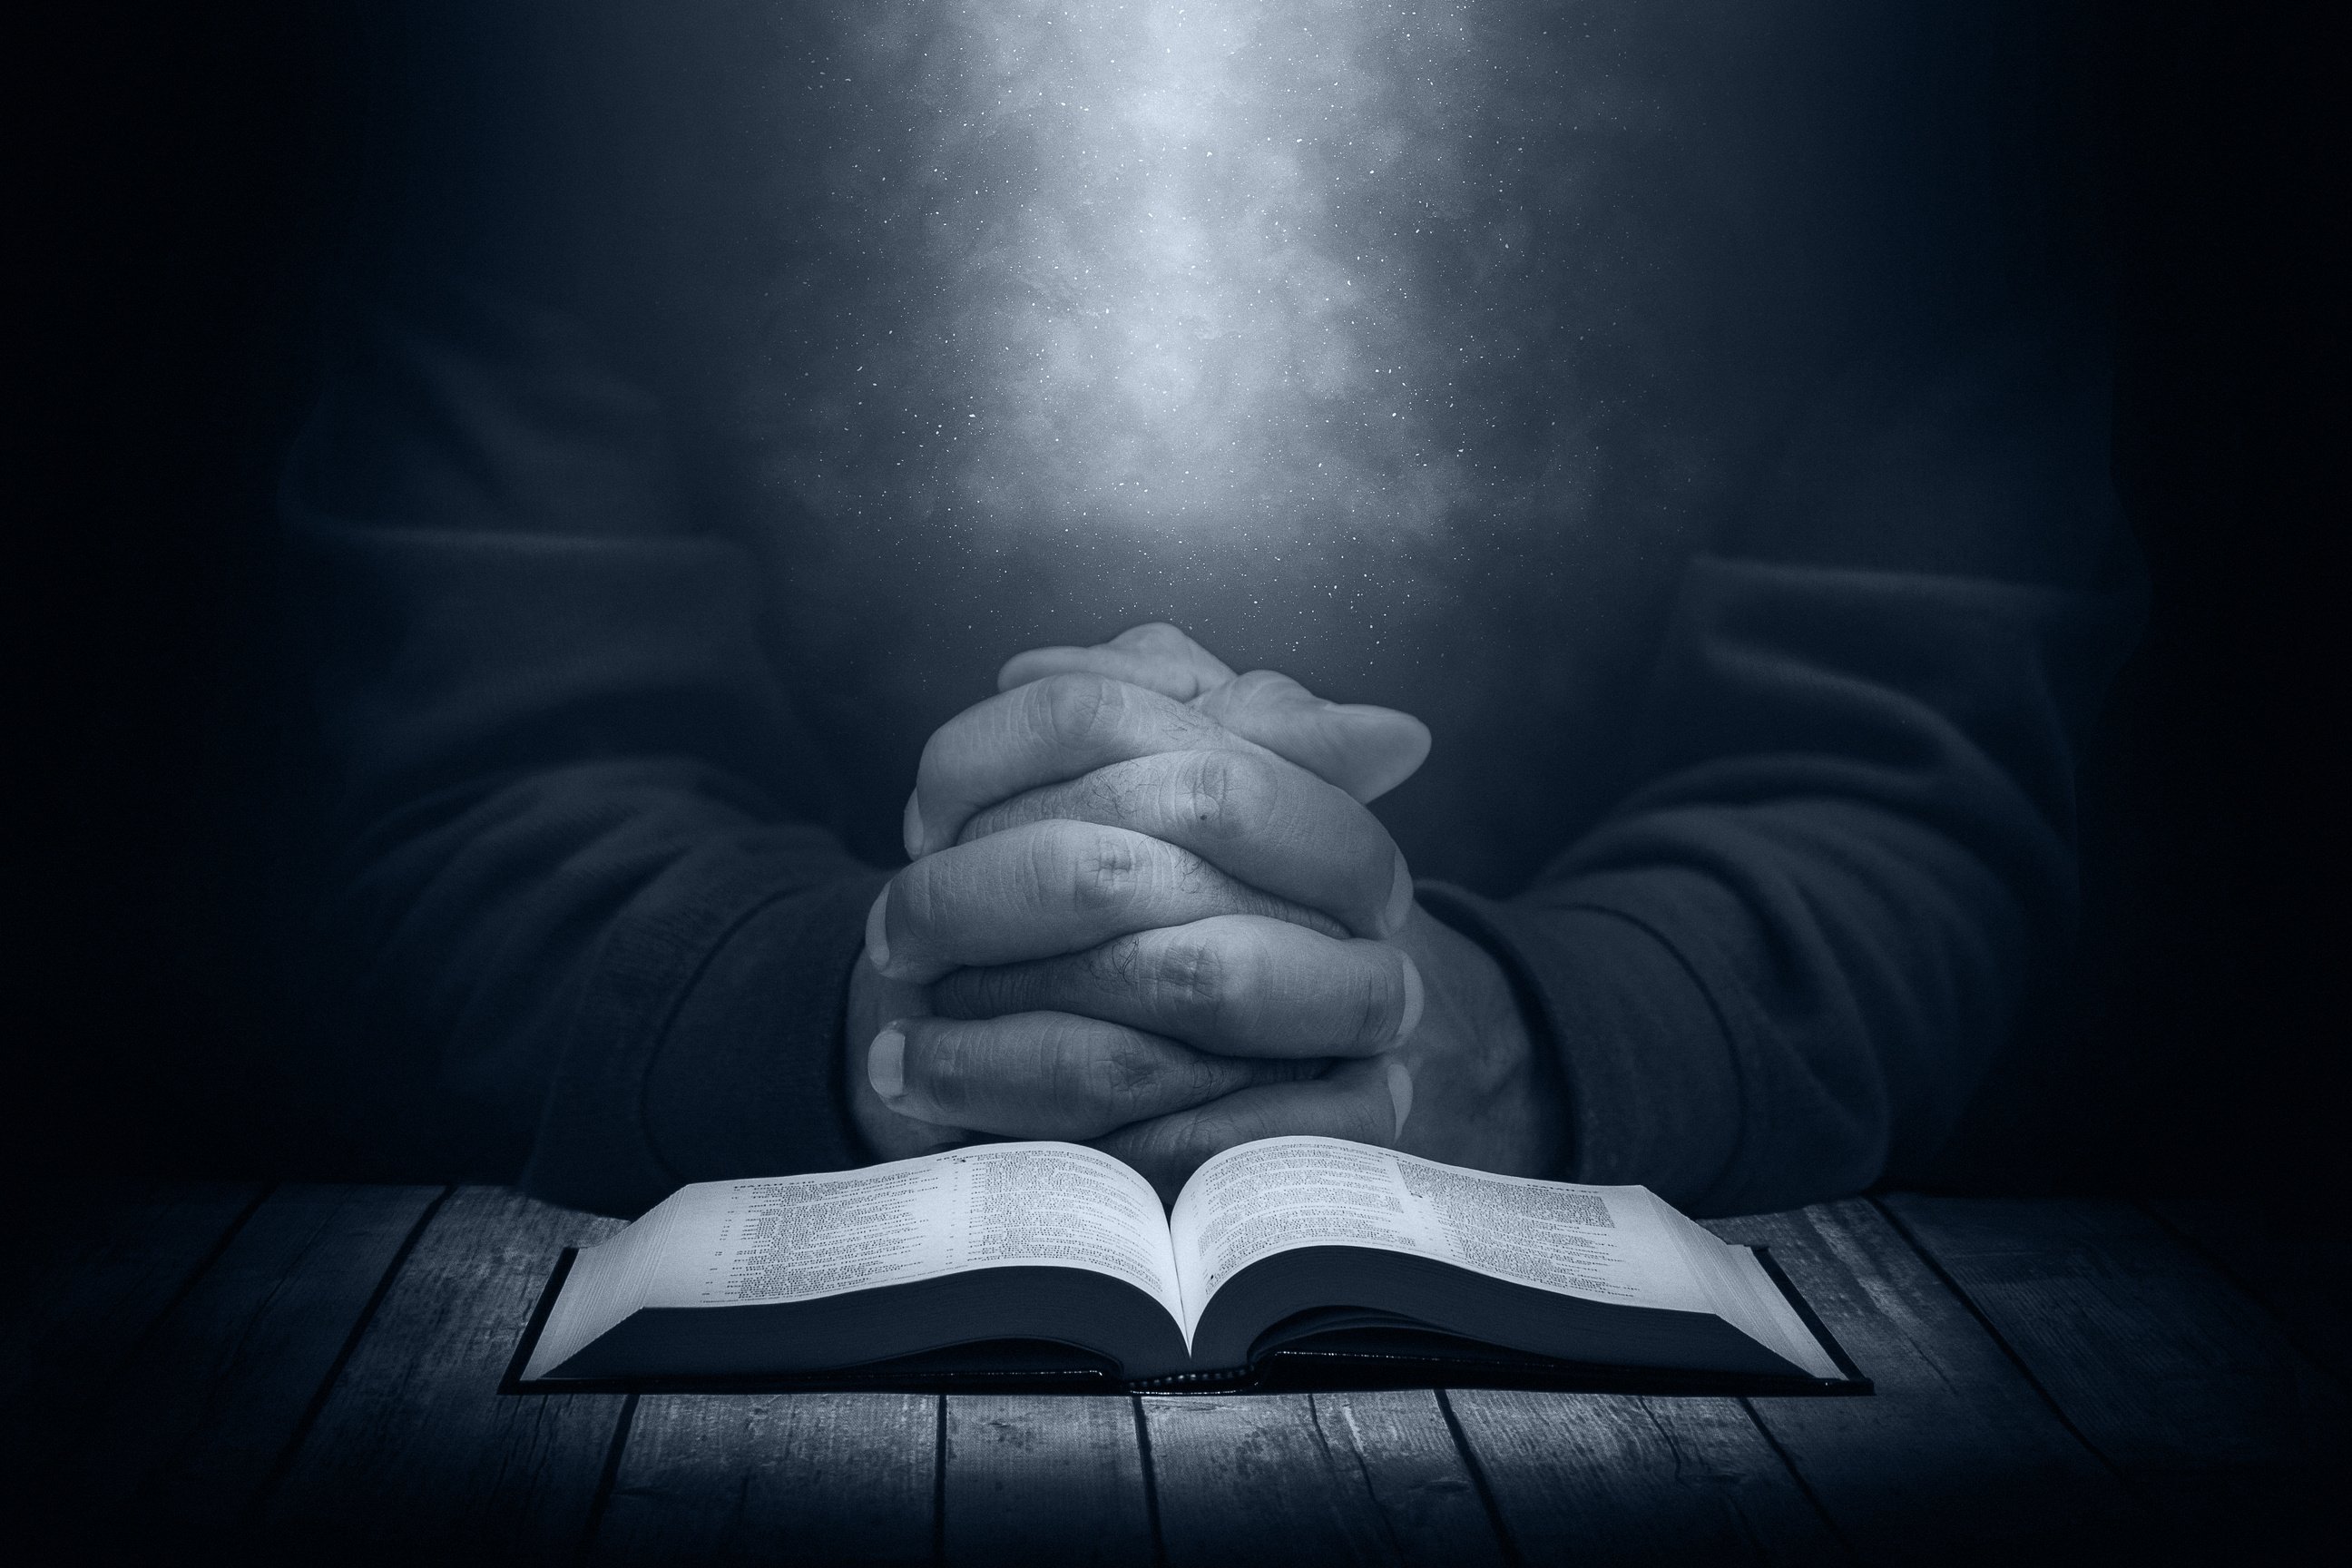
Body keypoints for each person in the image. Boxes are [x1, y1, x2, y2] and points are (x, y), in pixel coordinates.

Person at [283, 1, 2139, 1216]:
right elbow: (484, 741)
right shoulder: (559, 77)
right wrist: (879, 1021)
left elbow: (1927, 740)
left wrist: (1513, 1040)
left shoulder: (1900, 90)